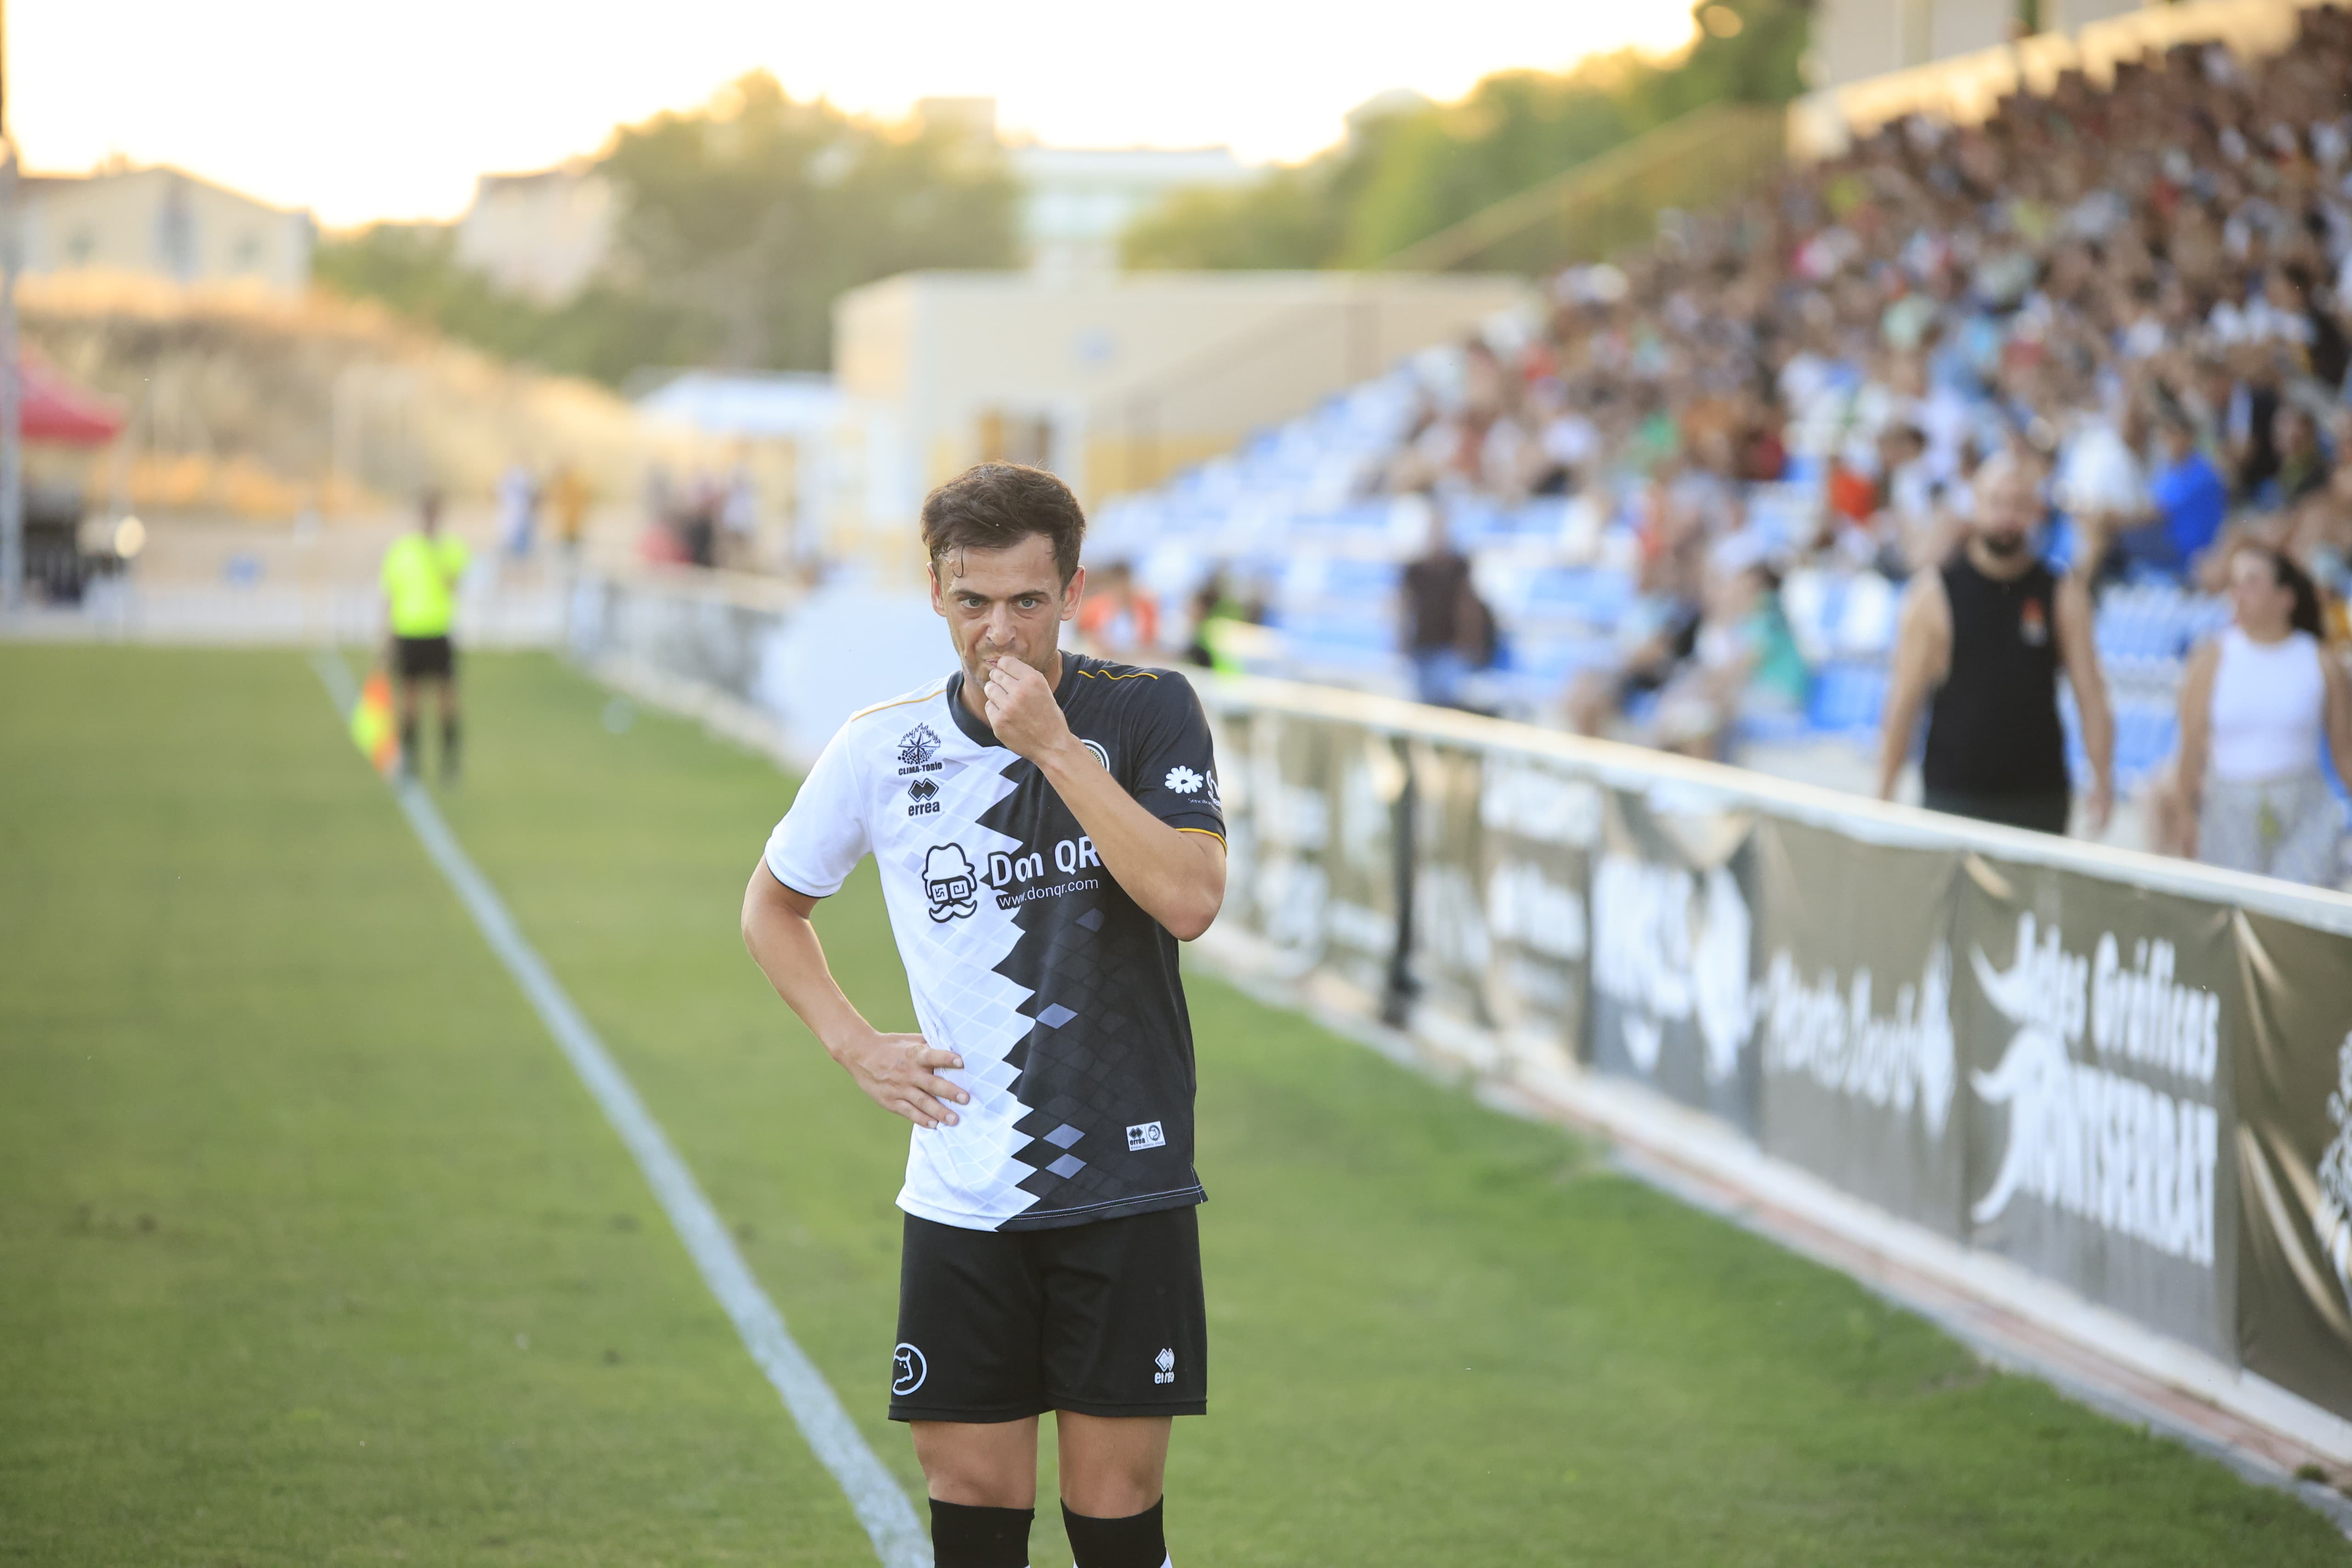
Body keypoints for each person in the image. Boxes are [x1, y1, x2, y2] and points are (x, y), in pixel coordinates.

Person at [741, 462, 1227, 1568]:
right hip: (964, 1191)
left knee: (1114, 1511)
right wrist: (852, 1041)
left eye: (1027, 601)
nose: (999, 632)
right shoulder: (879, 747)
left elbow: (1191, 901)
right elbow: (772, 907)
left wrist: (1053, 747)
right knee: (969, 1500)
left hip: (1124, 1181)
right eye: (974, 603)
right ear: (934, 595)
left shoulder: (1147, 712)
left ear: (1072, 591)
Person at [1877, 456, 2115, 836]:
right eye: (1996, 503)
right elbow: (1904, 701)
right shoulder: (1934, 594)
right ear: (1976, 505)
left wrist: (2102, 780)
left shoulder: (2061, 595)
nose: (2007, 518)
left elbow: (2092, 696)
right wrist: (1883, 793)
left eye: (2020, 505)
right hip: (1953, 796)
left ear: (2037, 512)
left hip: (2038, 798)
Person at [2173, 544, 2352, 884]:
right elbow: (2190, 746)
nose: (2238, 594)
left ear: (2286, 597)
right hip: (2230, 808)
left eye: (2252, 583)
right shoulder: (2212, 659)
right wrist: (2186, 813)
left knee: (2298, 915)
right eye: (2235, 583)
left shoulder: (2320, 662)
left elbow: (2345, 754)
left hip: (2303, 811)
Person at [378, 492, 469, 781]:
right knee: (410, 700)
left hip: (439, 631)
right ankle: (411, 761)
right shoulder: (402, 550)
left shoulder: (451, 549)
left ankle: (450, 762)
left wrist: (442, 566)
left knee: (447, 700)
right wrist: (386, 637)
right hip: (409, 632)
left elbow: (457, 585)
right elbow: (390, 595)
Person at [1398, 505, 1494, 708]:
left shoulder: (1458, 567)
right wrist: (1403, 642)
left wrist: (1470, 642)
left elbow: (1468, 608)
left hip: (1449, 649)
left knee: (1446, 704)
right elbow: (1404, 608)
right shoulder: (1414, 569)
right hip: (1423, 648)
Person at [1075, 561, 1160, 658]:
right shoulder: (1094, 607)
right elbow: (1083, 635)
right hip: (1104, 657)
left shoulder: (1145, 607)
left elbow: (1151, 639)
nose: (1122, 589)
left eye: (1125, 583)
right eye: (1118, 584)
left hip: (1137, 658)